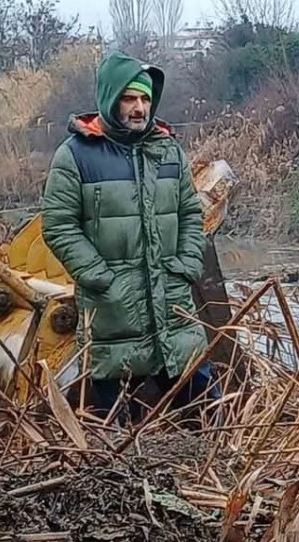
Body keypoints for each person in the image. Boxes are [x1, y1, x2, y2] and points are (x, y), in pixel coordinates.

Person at [41, 52, 220, 424]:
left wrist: (187, 265)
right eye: (129, 98)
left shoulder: (168, 150)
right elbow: (58, 225)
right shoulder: (75, 156)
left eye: (145, 99)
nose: (140, 108)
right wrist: (100, 279)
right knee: (115, 428)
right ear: (110, 98)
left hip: (172, 304)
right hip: (113, 311)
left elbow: (190, 213)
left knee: (206, 411)